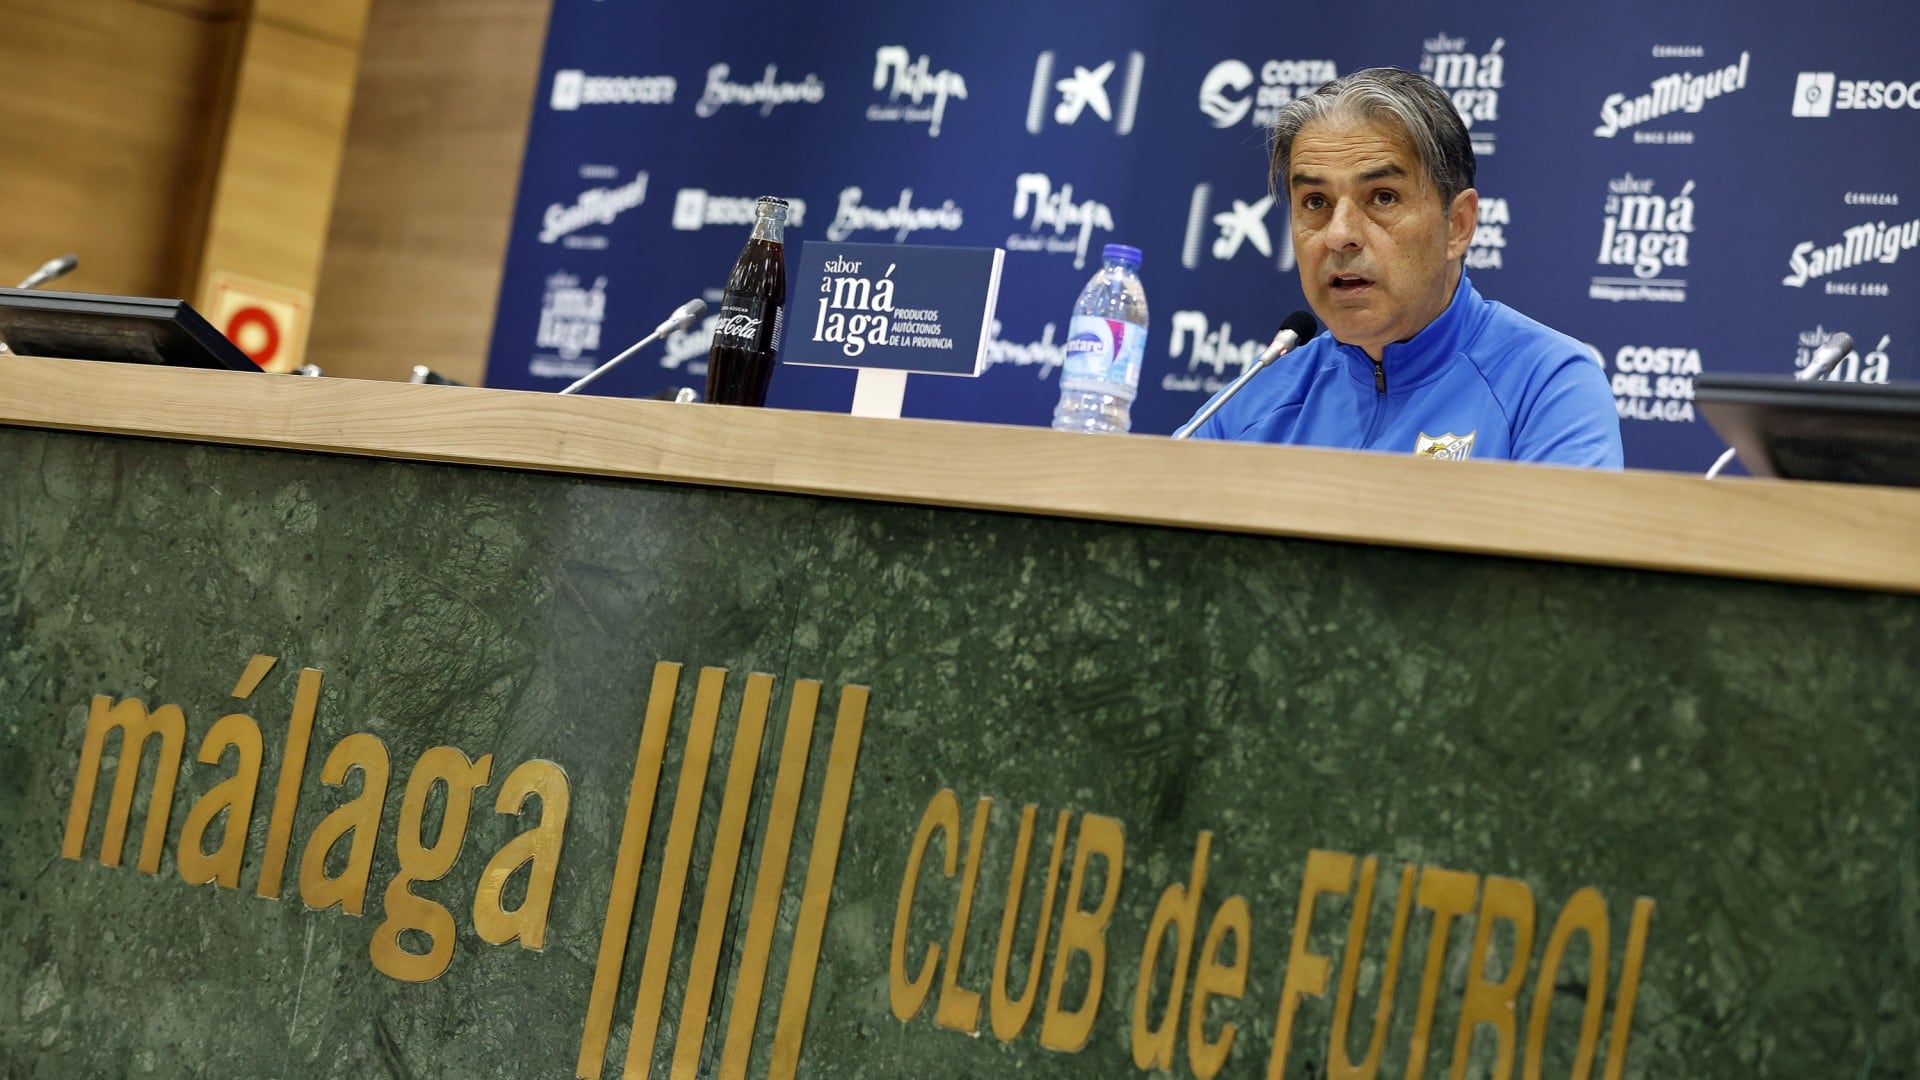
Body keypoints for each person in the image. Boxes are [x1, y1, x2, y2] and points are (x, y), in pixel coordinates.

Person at [1182, 67, 1623, 468]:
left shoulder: (1546, 385)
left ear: (1459, 225)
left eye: (1383, 197)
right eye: (1315, 202)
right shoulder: (1253, 403)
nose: (1339, 235)